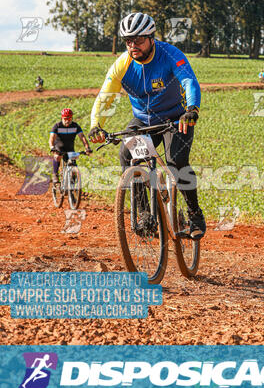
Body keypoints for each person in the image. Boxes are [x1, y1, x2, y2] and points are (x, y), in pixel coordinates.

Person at [88, 12, 206, 240]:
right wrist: (96, 125)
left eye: (139, 40)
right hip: (144, 121)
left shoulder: (170, 54)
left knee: (176, 162)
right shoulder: (122, 64)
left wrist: (192, 109)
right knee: (127, 154)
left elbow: (189, 80)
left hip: (177, 118)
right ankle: (144, 214)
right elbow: (105, 97)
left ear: (151, 37)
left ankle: (195, 215)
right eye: (128, 41)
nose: (133, 46)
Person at [49, 108, 92, 184]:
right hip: (59, 147)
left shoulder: (75, 126)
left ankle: (72, 187)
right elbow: (52, 138)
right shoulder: (57, 126)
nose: (67, 121)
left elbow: (82, 137)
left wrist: (87, 147)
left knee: (73, 165)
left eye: (69, 118)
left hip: (70, 148)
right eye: (65, 119)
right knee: (57, 157)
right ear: (62, 118)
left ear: (72, 118)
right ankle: (55, 174)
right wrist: (52, 147)